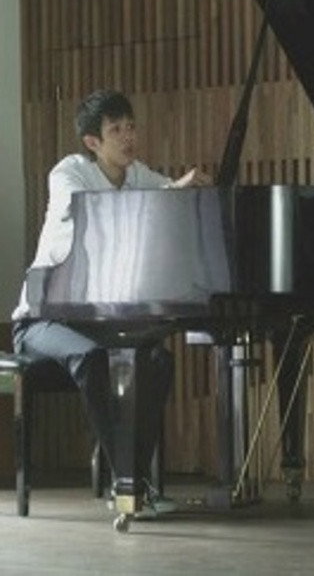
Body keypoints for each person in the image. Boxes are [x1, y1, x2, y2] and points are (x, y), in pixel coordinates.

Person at [12, 89, 210, 514]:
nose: (128, 137)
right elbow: (93, 212)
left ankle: (134, 480)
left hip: (93, 321)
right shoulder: (69, 172)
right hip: (41, 319)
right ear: (92, 142)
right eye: (116, 130)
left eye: (131, 126)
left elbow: (167, 196)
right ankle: (125, 481)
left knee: (158, 360)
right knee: (91, 358)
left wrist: (182, 189)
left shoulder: (136, 174)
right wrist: (167, 193)